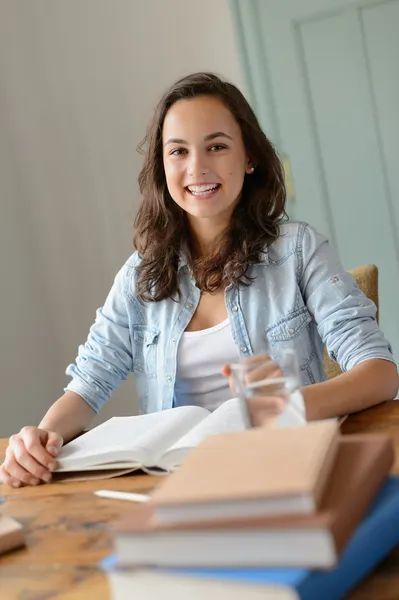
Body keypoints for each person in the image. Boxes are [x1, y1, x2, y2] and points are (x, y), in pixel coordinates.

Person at [1, 72, 397, 489]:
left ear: (249, 157)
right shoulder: (140, 276)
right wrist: (41, 439)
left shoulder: (298, 249)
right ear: (163, 164)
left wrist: (288, 405)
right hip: (179, 483)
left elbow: (380, 373)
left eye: (217, 146)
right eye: (178, 151)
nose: (197, 167)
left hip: (286, 470)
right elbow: (88, 385)